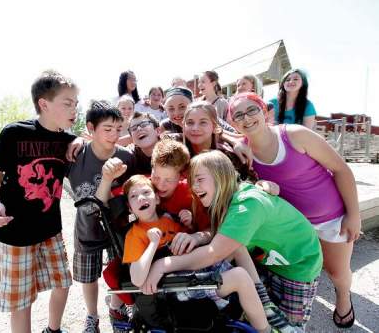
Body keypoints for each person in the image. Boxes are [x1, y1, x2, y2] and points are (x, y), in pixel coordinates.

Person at [141, 150, 323, 329]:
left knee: (291, 326)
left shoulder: (247, 205)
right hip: (272, 261)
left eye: (200, 179)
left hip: (299, 266)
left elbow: (213, 253)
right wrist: (197, 237)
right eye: (192, 181)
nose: (194, 187)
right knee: (268, 314)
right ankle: (266, 305)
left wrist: (163, 265)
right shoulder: (228, 199)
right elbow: (226, 238)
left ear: (221, 176)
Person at [228, 92, 361, 329]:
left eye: (252, 110)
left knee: (337, 272)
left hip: (330, 219)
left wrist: (354, 214)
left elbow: (341, 169)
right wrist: (236, 142)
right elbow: (219, 134)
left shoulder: (295, 135)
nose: (246, 118)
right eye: (238, 115)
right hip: (292, 228)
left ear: (265, 111)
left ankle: (343, 296)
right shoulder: (243, 153)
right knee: (307, 271)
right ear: (234, 123)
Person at [100, 173, 293, 333]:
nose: (141, 198)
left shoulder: (169, 221)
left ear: (157, 198)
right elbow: (136, 278)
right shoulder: (136, 235)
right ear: (130, 207)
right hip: (174, 290)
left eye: (146, 192)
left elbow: (192, 249)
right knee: (239, 276)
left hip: (191, 273)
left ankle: (265, 305)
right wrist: (153, 244)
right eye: (134, 196)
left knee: (237, 247)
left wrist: (191, 226)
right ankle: (266, 329)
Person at [0, 70, 77, 333]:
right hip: (15, 232)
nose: (74, 109)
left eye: (76, 103)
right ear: (44, 104)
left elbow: (90, 143)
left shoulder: (67, 140)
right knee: (21, 302)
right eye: (67, 103)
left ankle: (53, 329)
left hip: (50, 229)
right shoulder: (14, 133)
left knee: (63, 283)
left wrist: (80, 139)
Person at [67, 100, 136, 333]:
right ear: (90, 128)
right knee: (88, 276)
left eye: (118, 129)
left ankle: (118, 309)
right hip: (87, 226)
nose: (114, 135)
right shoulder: (74, 156)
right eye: (107, 129)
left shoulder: (127, 158)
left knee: (121, 270)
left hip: (118, 228)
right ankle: (92, 316)